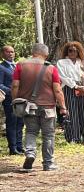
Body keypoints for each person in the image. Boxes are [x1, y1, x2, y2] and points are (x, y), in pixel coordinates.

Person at [12, 44, 67, 172]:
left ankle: (30, 154)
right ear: (46, 54)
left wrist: (15, 101)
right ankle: (48, 163)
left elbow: (15, 85)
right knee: (48, 135)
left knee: (31, 131)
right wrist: (63, 106)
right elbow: (57, 90)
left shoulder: (20, 65)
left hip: (28, 105)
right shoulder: (51, 68)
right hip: (48, 106)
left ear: (33, 52)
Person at [57, 41, 84, 144]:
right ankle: (73, 137)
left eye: (75, 51)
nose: (73, 53)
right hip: (69, 88)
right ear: (67, 51)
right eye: (70, 51)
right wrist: (76, 86)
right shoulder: (61, 62)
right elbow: (63, 76)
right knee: (71, 113)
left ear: (79, 52)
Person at [1, 45, 20, 154]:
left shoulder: (17, 66)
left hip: (21, 99)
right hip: (9, 99)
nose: (11, 54)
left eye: (12, 52)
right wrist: (12, 91)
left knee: (20, 122)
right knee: (12, 122)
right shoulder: (1, 67)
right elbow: (0, 85)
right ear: (2, 54)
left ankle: (19, 146)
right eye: (8, 52)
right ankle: (12, 148)